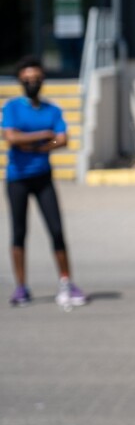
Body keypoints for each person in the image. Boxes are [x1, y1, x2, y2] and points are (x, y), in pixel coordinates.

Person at [3, 56, 86, 308]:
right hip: (17, 178)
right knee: (19, 233)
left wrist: (40, 147)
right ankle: (21, 287)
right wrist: (43, 136)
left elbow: (62, 141)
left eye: (37, 79)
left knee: (56, 230)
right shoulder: (12, 108)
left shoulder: (53, 110)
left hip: (43, 178)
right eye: (27, 79)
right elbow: (11, 138)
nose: (32, 83)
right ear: (20, 80)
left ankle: (66, 282)